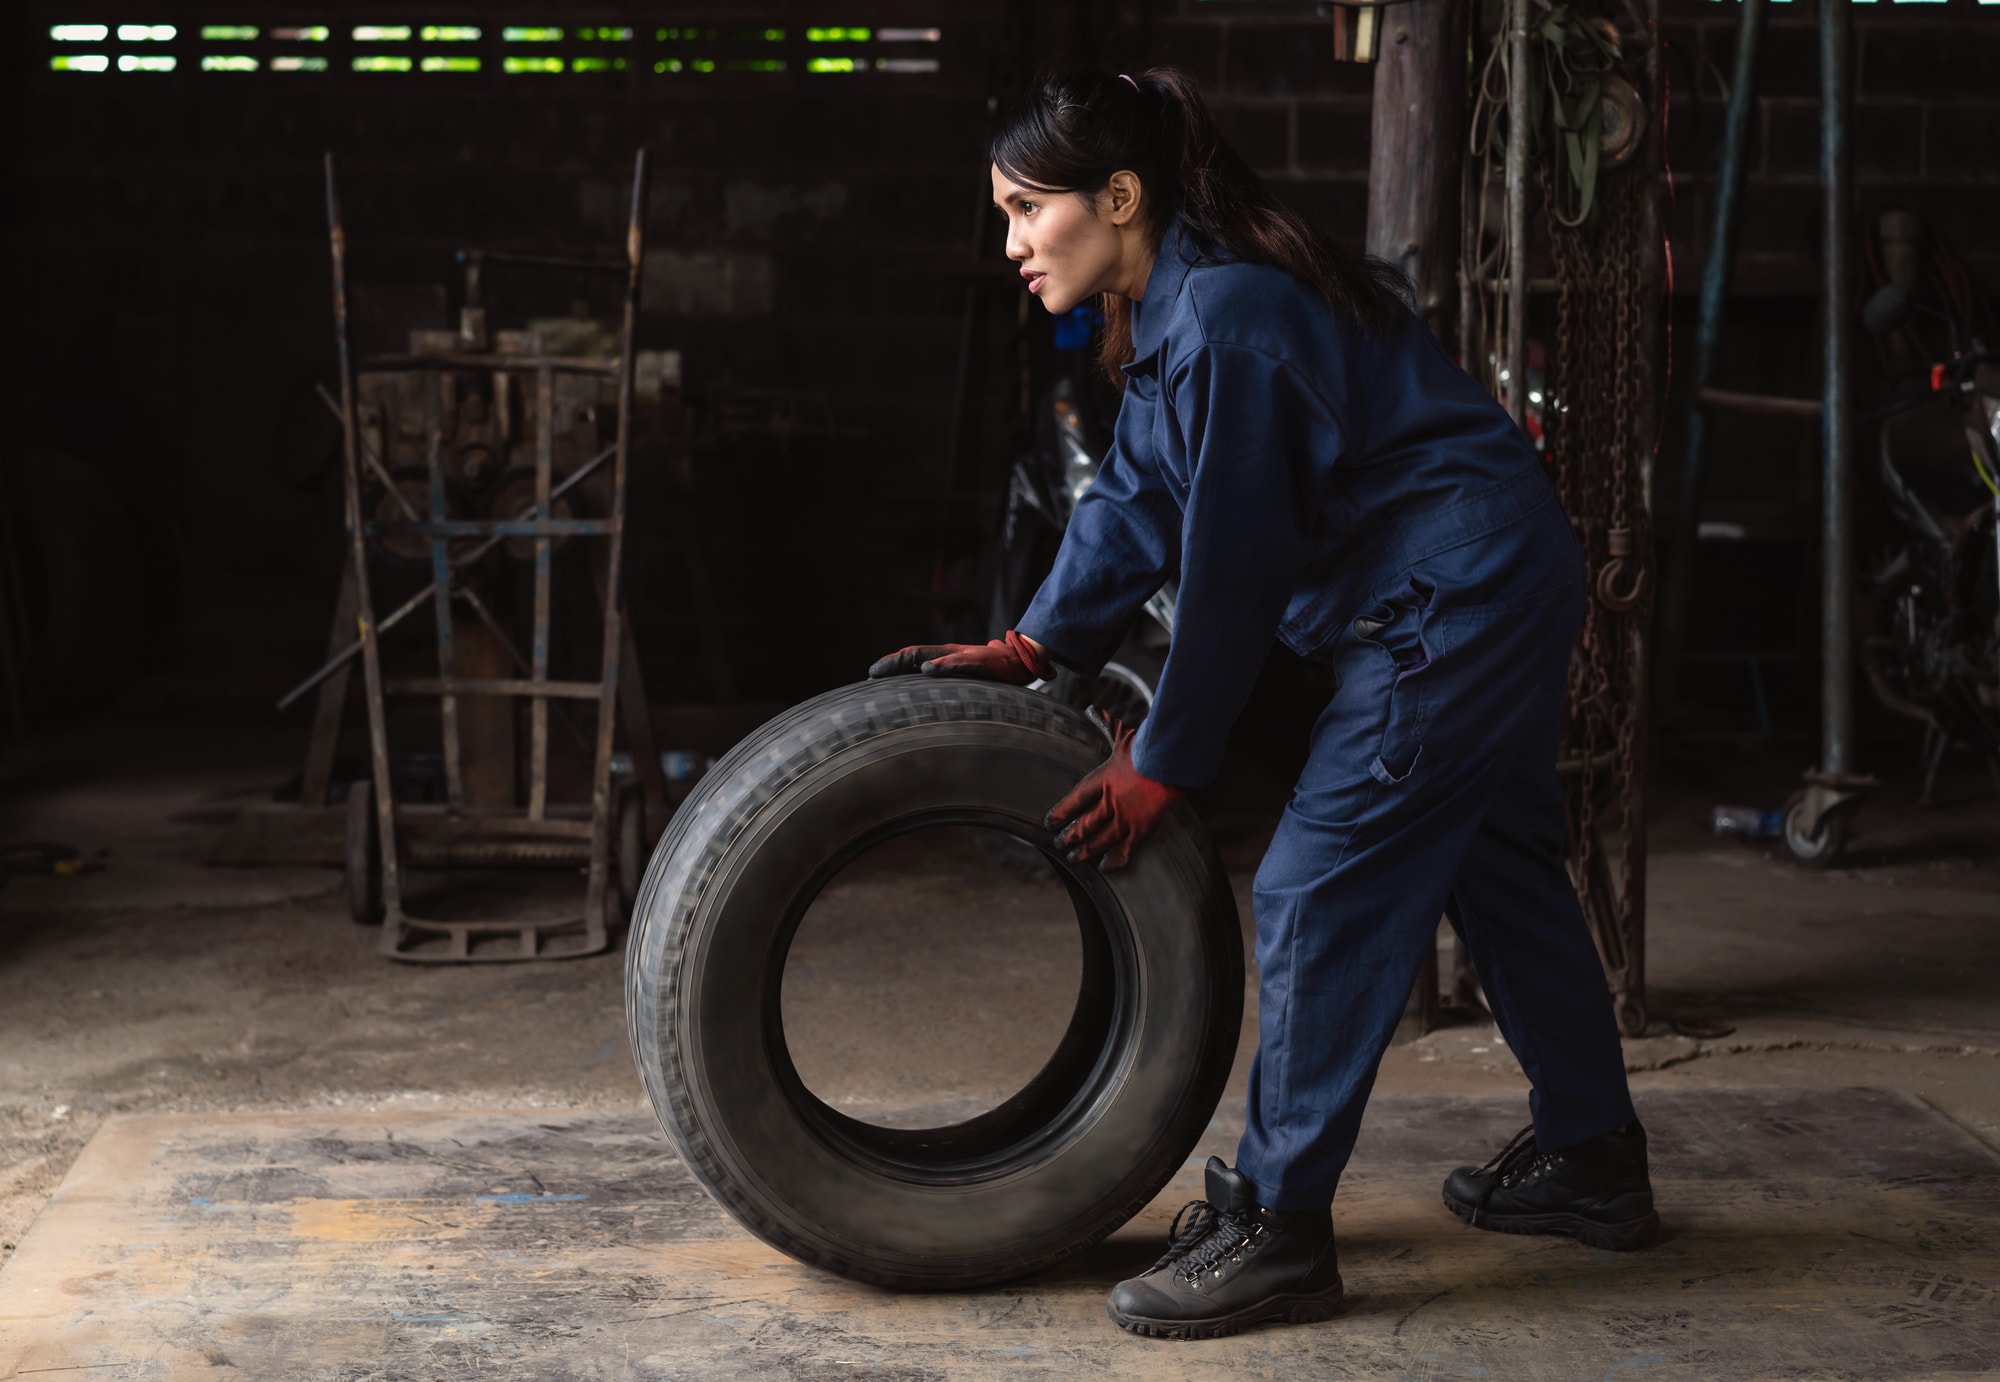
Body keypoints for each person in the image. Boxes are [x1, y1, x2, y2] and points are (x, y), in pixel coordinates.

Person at [868, 67, 1656, 1341]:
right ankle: (1594, 1159)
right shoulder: (1176, 303)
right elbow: (1133, 494)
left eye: (1026, 210)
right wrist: (1033, 640)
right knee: (1500, 866)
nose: (1011, 243)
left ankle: (1279, 1228)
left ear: (1118, 196)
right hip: (1493, 575)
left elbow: (1233, 565)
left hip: (1450, 600)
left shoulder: (1229, 312)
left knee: (1312, 885)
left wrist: (1164, 759)